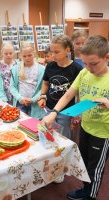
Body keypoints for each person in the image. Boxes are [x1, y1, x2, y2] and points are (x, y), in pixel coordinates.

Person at [41, 35, 109, 200]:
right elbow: (68, 95)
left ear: (106, 58)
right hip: (86, 127)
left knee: (95, 169)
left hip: (102, 133)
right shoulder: (84, 73)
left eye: (93, 63)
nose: (89, 68)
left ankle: (90, 196)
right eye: (85, 63)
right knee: (84, 162)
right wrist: (53, 113)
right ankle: (85, 190)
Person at [38, 34, 83, 139]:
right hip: (48, 108)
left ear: (67, 50)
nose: (53, 55)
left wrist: (77, 112)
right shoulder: (50, 66)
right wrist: (42, 96)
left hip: (66, 111)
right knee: (47, 134)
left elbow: (79, 93)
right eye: (52, 52)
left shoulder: (77, 68)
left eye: (56, 52)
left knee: (63, 137)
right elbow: (45, 83)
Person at [10, 41, 45, 119]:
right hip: (20, 103)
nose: (27, 58)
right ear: (20, 55)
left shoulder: (41, 69)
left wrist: (33, 100)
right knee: (21, 122)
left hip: (35, 105)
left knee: (34, 125)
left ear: (34, 53)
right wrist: (20, 98)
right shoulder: (16, 68)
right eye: (24, 56)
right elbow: (12, 87)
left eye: (30, 55)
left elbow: (43, 88)